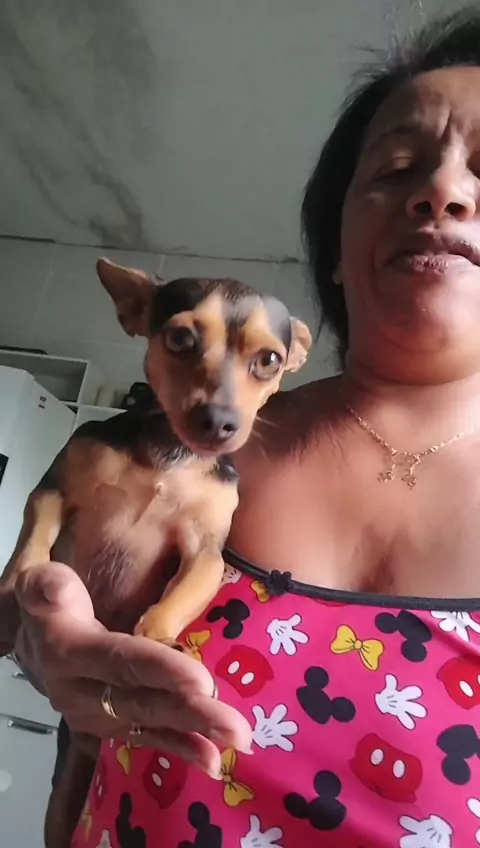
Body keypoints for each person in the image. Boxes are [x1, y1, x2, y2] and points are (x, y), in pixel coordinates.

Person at [9, 6, 480, 846]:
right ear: (336, 243)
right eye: (397, 167)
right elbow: (51, 625)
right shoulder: (186, 459)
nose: (441, 191)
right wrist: (45, 645)